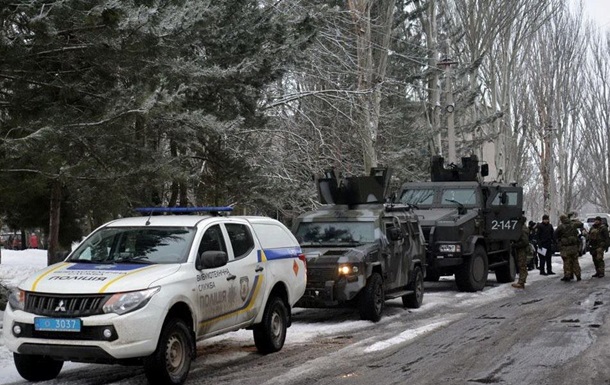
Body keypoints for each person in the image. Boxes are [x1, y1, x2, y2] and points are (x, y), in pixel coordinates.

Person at [555, 214, 583, 281]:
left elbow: (555, 234)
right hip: (574, 247)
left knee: (567, 262)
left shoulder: (561, 227)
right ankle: (578, 275)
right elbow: (581, 224)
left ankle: (568, 275)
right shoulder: (573, 224)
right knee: (575, 261)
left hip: (565, 247)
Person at [512, 216, 530, 289]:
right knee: (522, 265)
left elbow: (524, 242)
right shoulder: (524, 228)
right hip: (522, 249)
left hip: (522, 249)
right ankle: (521, 281)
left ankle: (521, 282)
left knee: (522, 265)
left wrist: (515, 245)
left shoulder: (522, 229)